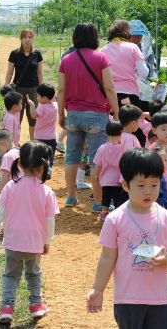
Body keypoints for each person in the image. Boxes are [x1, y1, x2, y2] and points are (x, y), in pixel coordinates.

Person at [86, 148, 167, 329]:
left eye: (154, 185)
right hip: (128, 299)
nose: (148, 191)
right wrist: (98, 289)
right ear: (125, 185)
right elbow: (107, 257)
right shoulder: (115, 219)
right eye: (141, 185)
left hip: (161, 299)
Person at [0, 141, 59, 323]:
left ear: (19, 163)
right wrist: (47, 241)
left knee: (11, 275)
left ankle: (6, 308)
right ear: (43, 167)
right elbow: (50, 221)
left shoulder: (10, 187)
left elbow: (0, 212)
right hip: (34, 244)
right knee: (34, 274)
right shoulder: (47, 192)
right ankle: (36, 305)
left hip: (12, 243)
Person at [58, 23, 120, 207]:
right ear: (95, 37)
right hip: (97, 115)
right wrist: (117, 113)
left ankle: (70, 197)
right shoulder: (101, 58)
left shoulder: (66, 60)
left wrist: (61, 114)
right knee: (96, 160)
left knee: (71, 157)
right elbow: (109, 87)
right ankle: (98, 201)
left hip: (73, 114)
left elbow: (61, 90)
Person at [100, 20, 150, 146]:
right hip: (130, 95)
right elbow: (144, 73)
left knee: (113, 130)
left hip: (109, 96)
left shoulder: (102, 51)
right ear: (127, 32)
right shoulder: (133, 48)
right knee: (134, 128)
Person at [5, 29, 44, 140]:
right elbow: (9, 72)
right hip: (18, 89)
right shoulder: (14, 54)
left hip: (34, 89)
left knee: (33, 117)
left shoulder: (37, 54)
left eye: (30, 37)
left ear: (32, 39)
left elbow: (40, 73)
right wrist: (6, 87)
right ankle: (15, 142)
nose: (27, 40)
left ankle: (32, 142)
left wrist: (42, 90)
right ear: (21, 39)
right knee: (17, 116)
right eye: (25, 37)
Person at [93, 121, 126, 221]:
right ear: (121, 133)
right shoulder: (123, 148)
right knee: (117, 198)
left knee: (106, 197)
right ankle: (117, 215)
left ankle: (104, 213)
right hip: (118, 179)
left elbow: (98, 164)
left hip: (105, 179)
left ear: (106, 133)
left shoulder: (102, 148)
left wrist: (96, 174)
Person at [26, 83, 58, 166]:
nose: (37, 98)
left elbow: (33, 115)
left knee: (39, 157)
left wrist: (32, 105)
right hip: (52, 137)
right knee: (50, 157)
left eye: (38, 96)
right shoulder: (55, 106)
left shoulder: (42, 107)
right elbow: (53, 98)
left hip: (40, 137)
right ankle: (48, 169)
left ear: (44, 98)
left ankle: (40, 169)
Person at [153, 144, 167, 212]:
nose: (164, 163)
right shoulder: (157, 179)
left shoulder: (164, 175)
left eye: (166, 160)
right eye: (160, 160)